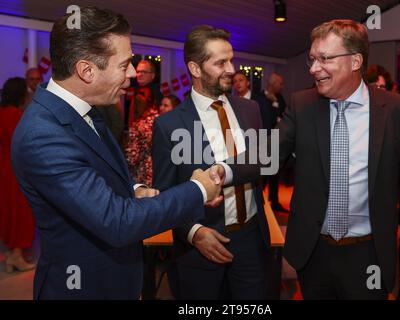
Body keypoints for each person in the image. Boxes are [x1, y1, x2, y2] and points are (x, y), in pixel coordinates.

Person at [212, 19, 400, 299]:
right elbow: (268, 154)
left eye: (325, 59)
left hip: (369, 255)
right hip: (314, 252)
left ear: (355, 61)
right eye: (312, 59)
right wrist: (224, 171)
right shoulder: (303, 105)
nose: (315, 68)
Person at [11, 6, 221, 300]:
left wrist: (133, 189)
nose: (133, 73)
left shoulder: (87, 109)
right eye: (124, 65)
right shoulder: (42, 135)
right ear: (86, 70)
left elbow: (97, 173)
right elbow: (117, 222)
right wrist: (200, 189)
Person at [152, 25, 270, 299]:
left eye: (231, 59)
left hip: (252, 239)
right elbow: (164, 195)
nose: (232, 68)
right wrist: (193, 232)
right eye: (221, 62)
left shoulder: (250, 110)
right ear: (195, 68)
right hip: (201, 247)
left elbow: (265, 161)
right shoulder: (169, 125)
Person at [0, 77, 36, 273]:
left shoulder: (2, 113)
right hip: (17, 169)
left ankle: (12, 253)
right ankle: (16, 255)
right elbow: (24, 145)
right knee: (21, 211)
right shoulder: (16, 116)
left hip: (4, 168)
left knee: (8, 210)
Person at [254, 72, 289, 213]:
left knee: (275, 173)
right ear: (272, 83)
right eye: (280, 84)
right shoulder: (258, 98)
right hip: (262, 142)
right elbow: (263, 119)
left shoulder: (279, 98)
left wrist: (275, 102)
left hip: (277, 141)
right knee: (263, 174)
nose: (282, 86)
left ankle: (274, 201)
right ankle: (258, 204)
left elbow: (284, 116)